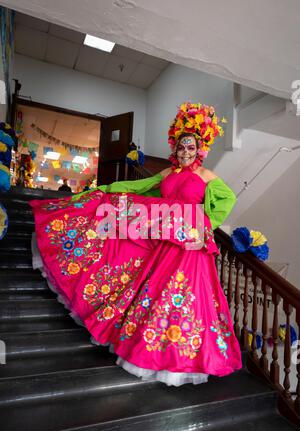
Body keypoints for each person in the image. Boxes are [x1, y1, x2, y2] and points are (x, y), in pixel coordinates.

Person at [29, 102, 242, 387]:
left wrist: (204, 224)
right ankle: (151, 351)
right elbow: (136, 188)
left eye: (191, 148)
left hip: (188, 245)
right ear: (175, 149)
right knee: (153, 292)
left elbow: (227, 201)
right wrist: (104, 191)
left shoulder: (207, 177)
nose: (186, 152)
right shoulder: (167, 174)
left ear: (200, 149)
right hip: (163, 240)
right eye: (181, 148)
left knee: (179, 297)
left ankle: (180, 360)